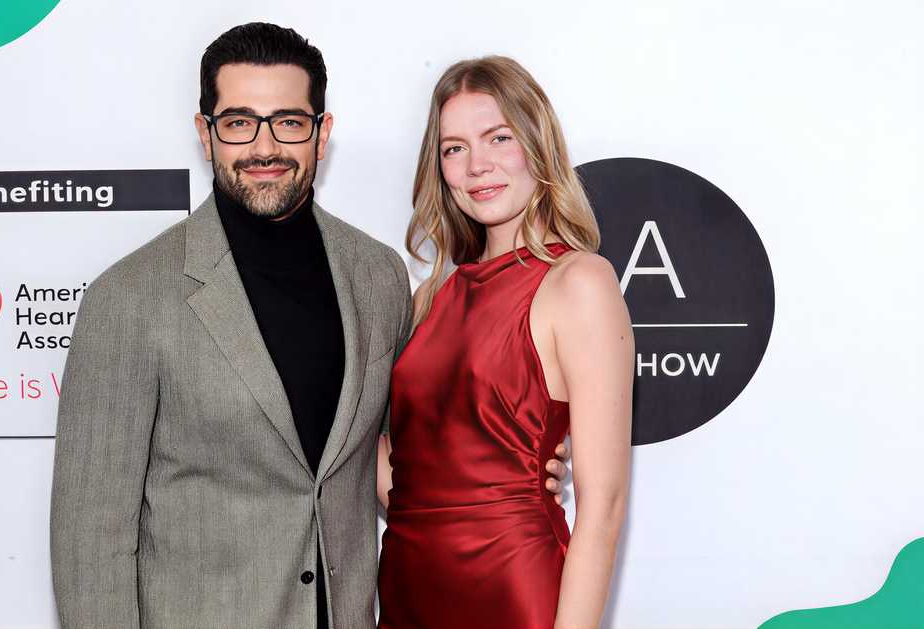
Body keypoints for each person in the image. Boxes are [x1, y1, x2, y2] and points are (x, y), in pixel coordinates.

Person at [49, 25, 569, 629]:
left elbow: (415, 456)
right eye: (239, 122)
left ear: (321, 134)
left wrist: (516, 470)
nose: (263, 147)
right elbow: (90, 540)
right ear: (205, 133)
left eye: (289, 122)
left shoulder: (378, 277)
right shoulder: (130, 299)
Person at [377, 56, 633, 628]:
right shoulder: (429, 300)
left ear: (537, 145)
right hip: (406, 590)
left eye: (498, 137)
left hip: (514, 590)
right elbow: (406, 484)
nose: (477, 166)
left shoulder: (579, 283)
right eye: (454, 148)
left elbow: (605, 507)